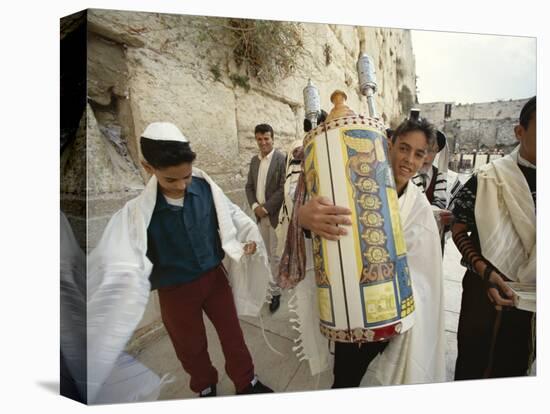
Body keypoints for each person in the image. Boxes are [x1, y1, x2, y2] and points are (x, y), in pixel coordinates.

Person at [88, 122, 274, 399]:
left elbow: (232, 213)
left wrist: (247, 238)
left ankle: (246, 381)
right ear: (148, 168)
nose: (182, 185)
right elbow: (116, 258)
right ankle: (204, 385)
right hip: (174, 291)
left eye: (186, 177)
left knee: (232, 334)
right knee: (190, 345)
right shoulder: (136, 213)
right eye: (171, 180)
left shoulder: (205, 187)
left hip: (214, 279)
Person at [285, 117, 446, 387]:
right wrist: (303, 217)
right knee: (346, 378)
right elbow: (326, 231)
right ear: (389, 143)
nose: (409, 160)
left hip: (392, 314)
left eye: (418, 154)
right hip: (348, 306)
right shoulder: (352, 183)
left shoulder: (419, 207)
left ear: (426, 159)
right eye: (404, 148)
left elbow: (425, 275)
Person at [450, 96, 536, 379]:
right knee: (475, 365)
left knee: (515, 365)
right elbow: (458, 226)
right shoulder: (489, 177)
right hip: (483, 293)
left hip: (533, 301)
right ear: (519, 132)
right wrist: (486, 272)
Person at [245, 123, 287, 313]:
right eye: (259, 139)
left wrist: (267, 208)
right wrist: (255, 206)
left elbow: (283, 187)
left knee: (275, 256)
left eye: (266, 138)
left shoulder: (280, 159)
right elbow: (249, 187)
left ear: (272, 138)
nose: (263, 142)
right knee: (265, 255)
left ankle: (276, 292)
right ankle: (271, 286)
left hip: (274, 215)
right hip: (259, 216)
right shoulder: (255, 161)